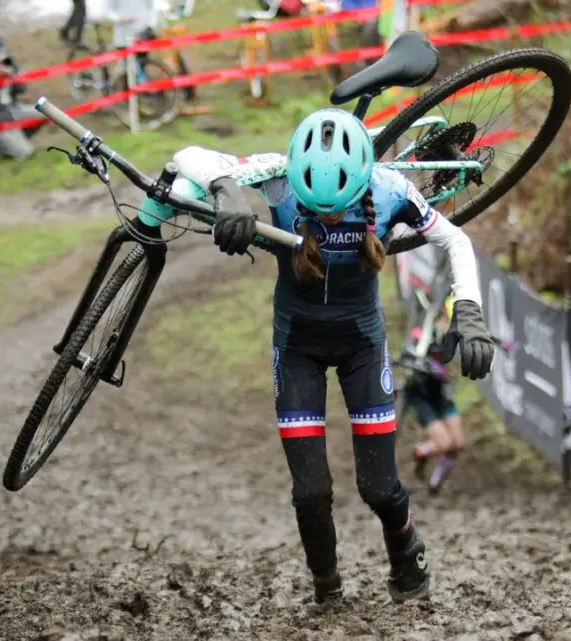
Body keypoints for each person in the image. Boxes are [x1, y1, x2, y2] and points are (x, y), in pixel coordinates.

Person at [172, 109, 495, 604]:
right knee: (310, 492)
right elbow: (189, 156)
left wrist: (469, 310)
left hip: (362, 346)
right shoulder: (277, 175)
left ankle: (408, 555)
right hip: (297, 346)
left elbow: (454, 238)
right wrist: (225, 189)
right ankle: (327, 590)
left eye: (337, 209)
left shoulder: (390, 188)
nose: (325, 218)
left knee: (380, 488)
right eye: (314, 209)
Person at [400, 327, 464, 494]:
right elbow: (404, 356)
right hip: (421, 398)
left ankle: (435, 483)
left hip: (441, 397)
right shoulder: (419, 339)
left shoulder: (444, 337)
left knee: (457, 443)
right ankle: (421, 451)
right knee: (444, 443)